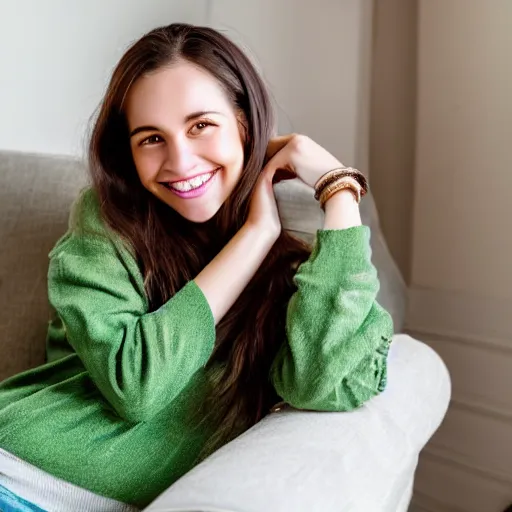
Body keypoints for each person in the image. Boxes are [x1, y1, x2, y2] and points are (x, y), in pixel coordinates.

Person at [0, 23, 393, 512]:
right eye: (151, 139)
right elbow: (136, 385)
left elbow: (319, 380)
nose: (180, 161)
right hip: (14, 473)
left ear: (245, 124)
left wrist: (339, 190)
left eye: (201, 125)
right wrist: (252, 238)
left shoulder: (309, 269)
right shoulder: (106, 223)